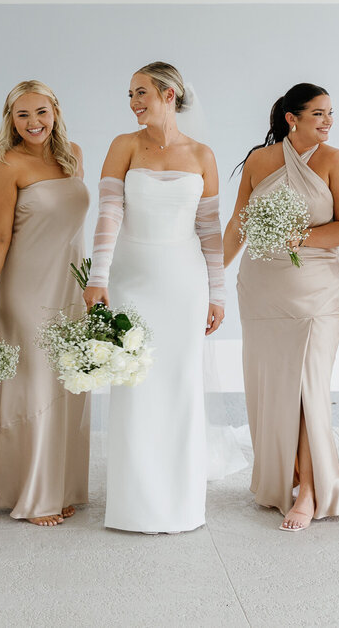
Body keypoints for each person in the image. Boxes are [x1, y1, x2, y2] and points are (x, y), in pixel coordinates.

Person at [82, 62, 225, 533]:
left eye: (140, 92)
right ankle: (133, 505)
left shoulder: (203, 155)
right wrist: (97, 278)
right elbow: (108, 213)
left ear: (169, 94)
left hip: (184, 282)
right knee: (135, 385)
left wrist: (217, 293)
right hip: (132, 278)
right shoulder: (123, 146)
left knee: (180, 384)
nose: (133, 103)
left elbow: (209, 231)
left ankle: (183, 505)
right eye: (129, 95)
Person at [223, 83, 339, 532]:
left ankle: (310, 490)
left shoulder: (337, 161)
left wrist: (298, 238)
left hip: (317, 289)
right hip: (263, 288)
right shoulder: (259, 161)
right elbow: (238, 225)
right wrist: (207, 278)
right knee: (275, 386)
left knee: (307, 384)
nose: (327, 121)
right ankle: (291, 477)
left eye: (330, 113)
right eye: (318, 113)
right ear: (291, 118)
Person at [0, 80, 91, 526]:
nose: (33, 123)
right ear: (11, 120)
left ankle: (61, 486)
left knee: (67, 381)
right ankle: (34, 493)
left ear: (55, 112)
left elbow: (76, 225)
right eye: (22, 115)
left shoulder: (74, 155)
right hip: (25, 288)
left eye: (40, 112)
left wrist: (92, 283)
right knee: (35, 381)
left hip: (70, 286)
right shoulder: (8, 166)